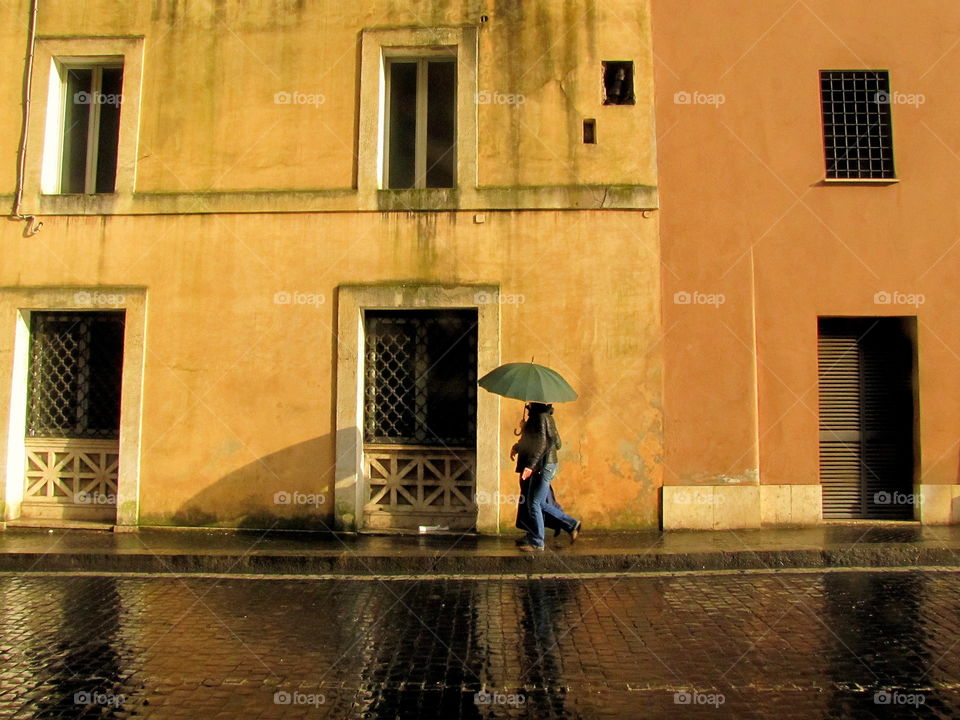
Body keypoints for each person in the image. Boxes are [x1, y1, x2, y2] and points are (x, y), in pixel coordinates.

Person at [512, 402, 581, 552]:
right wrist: (522, 437)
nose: (528, 403)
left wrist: (530, 466)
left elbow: (542, 444)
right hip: (544, 465)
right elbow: (554, 442)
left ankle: (537, 541)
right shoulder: (542, 417)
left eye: (531, 401)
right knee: (539, 503)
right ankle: (571, 524)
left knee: (534, 503)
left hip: (543, 466)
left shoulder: (541, 417)